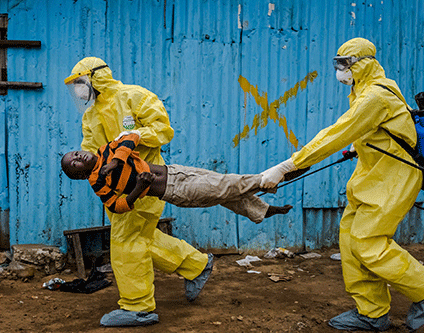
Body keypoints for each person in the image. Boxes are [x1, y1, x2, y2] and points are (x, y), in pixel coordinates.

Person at [259, 38, 424, 331]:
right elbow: (383, 127)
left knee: (369, 243)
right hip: (372, 176)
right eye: (337, 63)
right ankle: (372, 312)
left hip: (393, 178)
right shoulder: (367, 90)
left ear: (362, 63)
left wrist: (289, 165)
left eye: (345, 64)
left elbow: (336, 133)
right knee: (352, 241)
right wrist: (360, 145)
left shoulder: (375, 95)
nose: (340, 70)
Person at [64, 57, 212, 327]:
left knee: (125, 242)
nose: (78, 90)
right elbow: (91, 150)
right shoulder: (90, 116)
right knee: (142, 239)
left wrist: (131, 138)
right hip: (117, 189)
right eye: (75, 86)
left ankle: (138, 307)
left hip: (146, 181)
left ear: (96, 77)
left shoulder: (135, 96)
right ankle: (197, 265)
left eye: (80, 83)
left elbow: (163, 130)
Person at [61, 132, 295, 223]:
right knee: (225, 186)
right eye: (74, 162)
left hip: (178, 171)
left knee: (224, 194)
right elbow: (117, 207)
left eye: (74, 153)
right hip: (175, 191)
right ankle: (277, 174)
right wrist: (137, 189)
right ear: (80, 174)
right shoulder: (98, 183)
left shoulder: (106, 151)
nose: (78, 155)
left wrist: (115, 161)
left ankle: (263, 210)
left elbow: (131, 137)